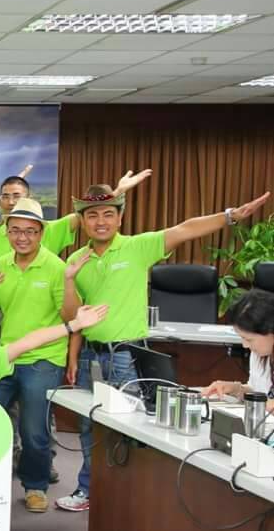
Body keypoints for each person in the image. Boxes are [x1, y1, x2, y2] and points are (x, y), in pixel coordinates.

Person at [57, 184, 270, 512]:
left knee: (131, 428)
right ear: (82, 221)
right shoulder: (75, 260)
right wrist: (70, 286)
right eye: (93, 216)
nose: (101, 222)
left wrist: (230, 216)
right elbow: (72, 318)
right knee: (89, 424)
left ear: (120, 218)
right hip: (90, 355)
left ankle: (126, 495)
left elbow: (185, 229)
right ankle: (87, 490)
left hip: (126, 355)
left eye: (108, 214)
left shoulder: (137, 247)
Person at [0, 198, 72, 513]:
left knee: (34, 430)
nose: (22, 237)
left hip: (44, 359)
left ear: (41, 233)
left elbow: (69, 317)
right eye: (16, 230)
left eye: (30, 231)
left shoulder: (56, 268)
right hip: (5, 356)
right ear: (6, 232)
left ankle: (34, 486)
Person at [0, 170, 151, 276]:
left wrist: (118, 191)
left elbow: (87, 213)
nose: (11, 202)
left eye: (17, 196)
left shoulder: (50, 229)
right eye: (6, 196)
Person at [202, 289, 274, 408]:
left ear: (271, 331)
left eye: (249, 339)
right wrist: (236, 389)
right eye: (242, 338)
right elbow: (259, 391)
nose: (245, 345)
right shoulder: (259, 354)